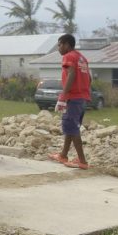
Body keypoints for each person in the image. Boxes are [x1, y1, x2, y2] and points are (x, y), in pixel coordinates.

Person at [48, 33, 91, 169]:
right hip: (82, 97)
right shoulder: (82, 58)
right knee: (71, 127)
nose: (58, 48)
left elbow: (71, 73)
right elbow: (89, 78)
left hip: (73, 97)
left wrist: (63, 96)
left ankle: (82, 161)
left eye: (60, 45)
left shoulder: (69, 56)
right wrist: (83, 90)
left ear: (67, 45)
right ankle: (63, 155)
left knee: (71, 128)